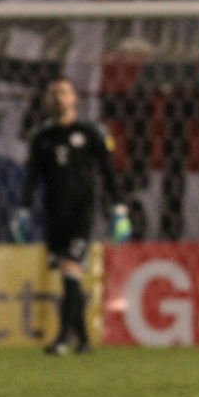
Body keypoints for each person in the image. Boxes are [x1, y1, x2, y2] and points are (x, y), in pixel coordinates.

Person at [12, 77, 132, 355]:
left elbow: (107, 172)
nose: (57, 98)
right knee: (70, 277)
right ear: (46, 100)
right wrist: (23, 210)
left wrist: (118, 208)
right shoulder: (42, 138)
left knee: (70, 269)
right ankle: (84, 340)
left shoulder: (89, 132)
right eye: (52, 93)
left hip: (81, 212)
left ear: (75, 98)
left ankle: (64, 338)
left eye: (63, 92)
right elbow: (32, 178)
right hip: (54, 215)